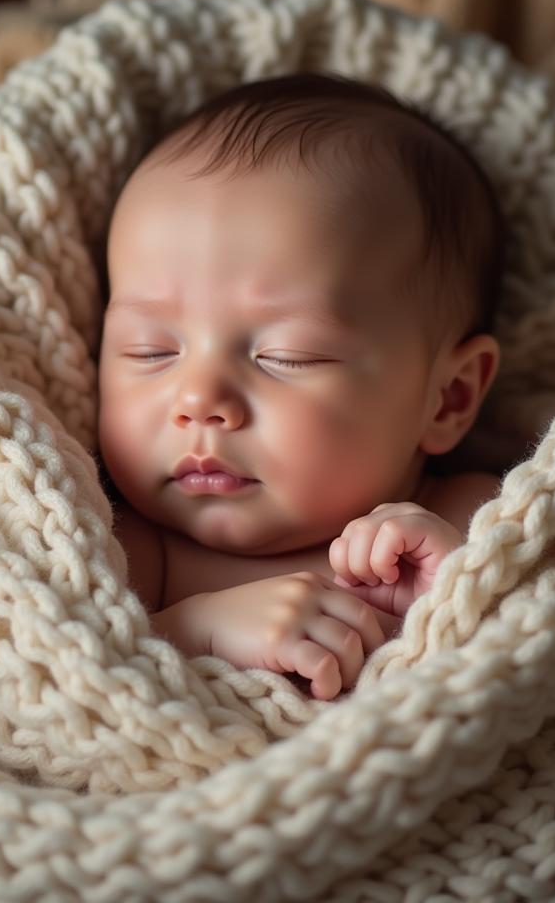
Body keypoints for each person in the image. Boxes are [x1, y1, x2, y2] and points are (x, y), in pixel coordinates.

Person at [97, 72, 504, 700]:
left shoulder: (466, 518)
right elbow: (79, 678)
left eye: (285, 356)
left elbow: (554, 642)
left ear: (447, 398)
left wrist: (462, 593)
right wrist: (192, 631)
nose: (199, 400)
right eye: (151, 351)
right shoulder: (132, 551)